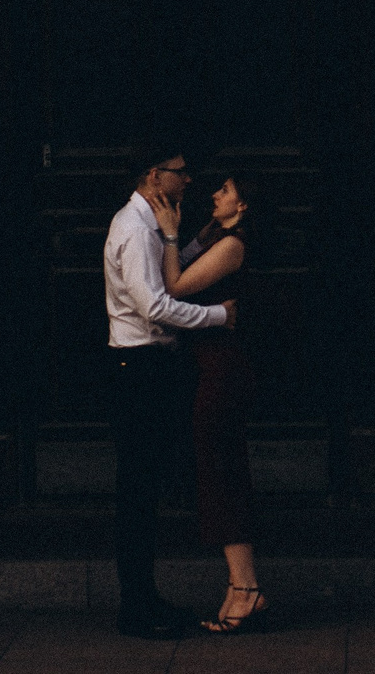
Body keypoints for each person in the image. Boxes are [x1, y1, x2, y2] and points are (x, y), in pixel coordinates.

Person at [102, 145, 233, 640]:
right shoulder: (134, 229)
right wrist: (221, 315)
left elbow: (169, 275)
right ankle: (135, 607)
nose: (189, 180)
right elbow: (156, 305)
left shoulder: (153, 224)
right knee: (137, 489)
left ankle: (146, 598)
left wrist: (191, 242)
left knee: (147, 486)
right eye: (181, 172)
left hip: (149, 368)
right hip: (138, 368)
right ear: (155, 175)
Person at [165, 171, 268, 634]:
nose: (214, 194)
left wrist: (168, 235)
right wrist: (194, 231)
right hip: (211, 368)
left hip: (224, 371)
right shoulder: (216, 236)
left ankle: (246, 588)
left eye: (226, 190)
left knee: (221, 471)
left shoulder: (233, 245)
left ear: (243, 206)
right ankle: (239, 586)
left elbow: (176, 287)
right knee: (218, 470)